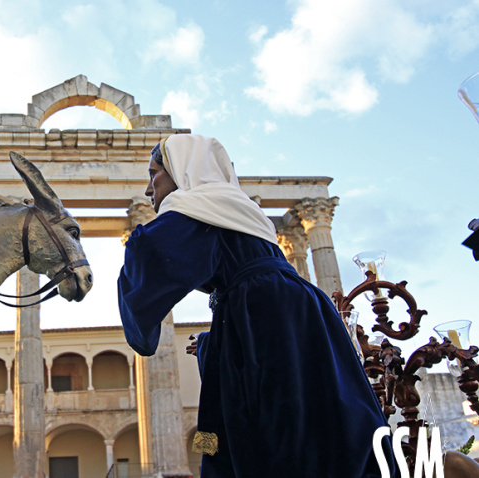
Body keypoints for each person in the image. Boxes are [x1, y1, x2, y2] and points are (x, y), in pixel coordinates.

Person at [117, 134, 394, 477]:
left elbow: (149, 253)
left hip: (269, 315)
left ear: (181, 171)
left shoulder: (194, 205)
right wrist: (213, 342)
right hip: (298, 314)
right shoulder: (237, 209)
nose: (148, 189)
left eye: (154, 173)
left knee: (271, 425)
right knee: (318, 409)